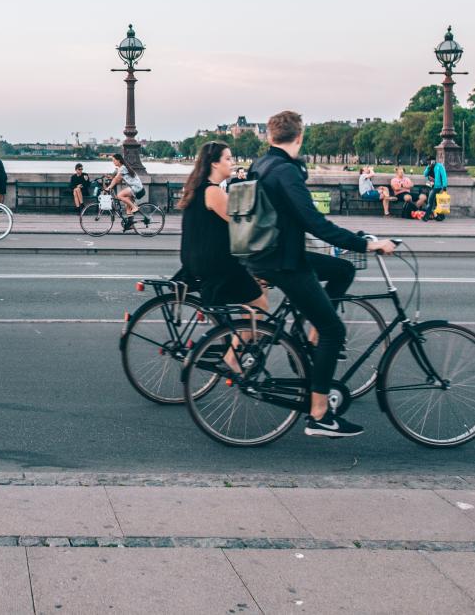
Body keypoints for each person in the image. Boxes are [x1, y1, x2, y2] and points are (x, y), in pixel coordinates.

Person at [247, 110, 396, 438]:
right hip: (284, 262)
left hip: (267, 255)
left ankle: (312, 337)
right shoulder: (286, 171)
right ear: (299, 138)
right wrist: (365, 245)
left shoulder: (261, 165)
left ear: (270, 137)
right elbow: (315, 222)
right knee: (334, 330)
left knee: (341, 270)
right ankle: (319, 415)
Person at [178, 141, 268, 311]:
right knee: (260, 305)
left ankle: (231, 335)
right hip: (217, 265)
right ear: (215, 163)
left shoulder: (196, 189)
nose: (232, 162)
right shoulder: (212, 192)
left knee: (245, 301)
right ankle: (237, 337)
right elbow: (242, 224)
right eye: (228, 158)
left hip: (195, 261)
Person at [105, 153, 144, 232]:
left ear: (118, 160)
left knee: (119, 195)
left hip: (136, 188)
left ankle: (135, 207)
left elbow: (116, 179)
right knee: (127, 206)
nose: (113, 162)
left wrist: (109, 187)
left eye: (114, 160)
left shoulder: (122, 168)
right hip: (136, 187)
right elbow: (118, 178)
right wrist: (110, 177)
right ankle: (130, 224)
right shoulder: (121, 168)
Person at [422, 156, 448, 221]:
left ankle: (426, 217)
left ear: (433, 160)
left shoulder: (440, 166)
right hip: (429, 185)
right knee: (436, 202)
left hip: (437, 186)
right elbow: (425, 174)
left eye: (430, 161)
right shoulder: (429, 166)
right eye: (428, 161)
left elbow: (444, 176)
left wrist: (444, 186)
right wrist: (428, 167)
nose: (429, 162)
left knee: (430, 201)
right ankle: (440, 216)